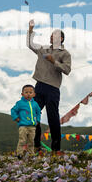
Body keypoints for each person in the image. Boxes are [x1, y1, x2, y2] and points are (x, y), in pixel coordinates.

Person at [26, 20, 71, 153]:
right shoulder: (43, 49)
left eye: (54, 35)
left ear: (61, 38)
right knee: (33, 114)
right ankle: (36, 145)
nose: (51, 37)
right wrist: (30, 30)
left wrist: (54, 61)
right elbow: (30, 44)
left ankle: (56, 148)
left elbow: (67, 69)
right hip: (39, 86)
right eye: (51, 35)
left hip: (52, 88)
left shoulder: (65, 53)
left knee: (52, 117)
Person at [10, 84, 41, 158]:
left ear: (34, 94)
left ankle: (31, 154)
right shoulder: (20, 103)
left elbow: (38, 112)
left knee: (31, 141)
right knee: (22, 140)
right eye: (26, 92)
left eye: (30, 92)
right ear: (22, 94)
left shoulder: (35, 104)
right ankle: (19, 154)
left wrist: (38, 120)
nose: (28, 94)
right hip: (23, 126)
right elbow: (13, 110)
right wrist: (16, 118)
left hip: (32, 126)